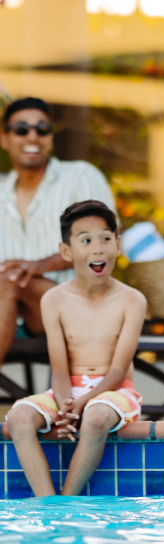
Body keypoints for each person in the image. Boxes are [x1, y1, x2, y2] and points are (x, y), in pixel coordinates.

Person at [7, 199, 147, 497]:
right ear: (67, 251)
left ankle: (67, 501)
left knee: (96, 417)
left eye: (106, 239)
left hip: (114, 391)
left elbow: (119, 370)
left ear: (118, 245)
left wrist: (84, 404)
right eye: (86, 240)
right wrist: (66, 403)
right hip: (66, 390)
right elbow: (59, 368)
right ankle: (48, 502)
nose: (98, 248)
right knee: (18, 417)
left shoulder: (132, 300)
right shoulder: (54, 300)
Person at [0, 97, 116, 367]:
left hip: (80, 309)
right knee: (9, 280)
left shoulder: (80, 177)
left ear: (50, 138)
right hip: (16, 315)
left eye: (42, 129)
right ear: (4, 139)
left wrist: (38, 266)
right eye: (21, 129)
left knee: (11, 279)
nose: (33, 136)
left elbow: (101, 244)